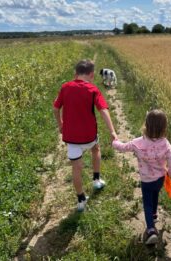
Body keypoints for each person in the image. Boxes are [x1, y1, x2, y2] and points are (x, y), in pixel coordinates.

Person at [53, 59, 117, 212]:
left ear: (75, 74)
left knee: (76, 168)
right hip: (89, 136)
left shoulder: (65, 87)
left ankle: (81, 200)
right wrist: (112, 131)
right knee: (96, 149)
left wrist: (61, 125)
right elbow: (103, 110)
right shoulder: (93, 89)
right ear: (92, 75)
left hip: (71, 138)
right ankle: (96, 180)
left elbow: (55, 109)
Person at [112, 109, 171, 245]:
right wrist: (169, 173)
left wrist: (114, 142)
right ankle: (154, 215)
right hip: (160, 179)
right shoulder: (165, 144)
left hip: (146, 180)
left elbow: (123, 147)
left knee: (147, 203)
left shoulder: (138, 142)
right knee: (155, 195)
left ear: (146, 125)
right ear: (164, 128)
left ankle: (151, 230)